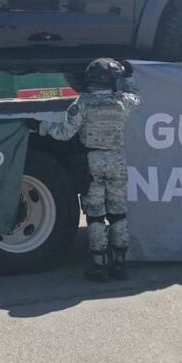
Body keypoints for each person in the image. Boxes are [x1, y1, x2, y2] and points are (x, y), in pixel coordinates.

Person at [38, 58, 140, 281]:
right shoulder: (124, 102)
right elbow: (137, 95)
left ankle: (98, 266)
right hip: (117, 160)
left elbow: (65, 133)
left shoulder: (83, 103)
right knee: (118, 214)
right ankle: (119, 265)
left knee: (95, 217)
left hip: (92, 161)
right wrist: (129, 76)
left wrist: (43, 127)